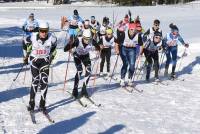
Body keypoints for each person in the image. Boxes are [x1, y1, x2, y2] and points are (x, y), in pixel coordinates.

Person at [23, 22, 57, 111]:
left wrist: (51, 56)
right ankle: (31, 103)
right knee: (35, 80)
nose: (44, 33)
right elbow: (24, 43)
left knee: (44, 81)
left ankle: (42, 103)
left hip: (45, 61)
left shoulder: (52, 38)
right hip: (34, 60)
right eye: (42, 31)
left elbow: (54, 47)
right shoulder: (32, 37)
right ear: (39, 30)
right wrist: (25, 56)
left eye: (46, 31)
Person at [64, 29, 100, 98]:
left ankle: (84, 89)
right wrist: (70, 44)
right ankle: (75, 89)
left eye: (89, 39)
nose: (87, 41)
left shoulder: (92, 41)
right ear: (83, 37)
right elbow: (65, 49)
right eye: (86, 39)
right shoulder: (78, 40)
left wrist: (99, 48)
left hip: (85, 56)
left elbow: (98, 47)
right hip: (77, 56)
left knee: (88, 71)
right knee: (80, 71)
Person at [116, 22, 143, 87]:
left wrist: (140, 52)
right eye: (131, 29)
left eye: (134, 29)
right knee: (125, 63)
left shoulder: (138, 35)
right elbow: (117, 43)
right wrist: (117, 50)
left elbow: (141, 45)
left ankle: (129, 79)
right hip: (124, 49)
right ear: (129, 29)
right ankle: (122, 79)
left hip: (132, 49)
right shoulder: (124, 34)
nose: (132, 31)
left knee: (132, 65)